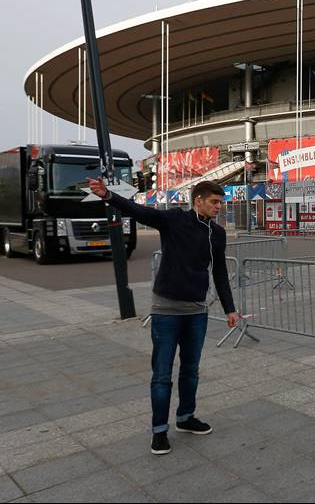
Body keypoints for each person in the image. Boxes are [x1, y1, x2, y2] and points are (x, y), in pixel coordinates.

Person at [87, 177, 240, 455]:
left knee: (191, 370)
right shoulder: (174, 220)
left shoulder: (216, 234)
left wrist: (230, 308)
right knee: (161, 374)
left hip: (197, 312)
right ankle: (159, 431)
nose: (219, 206)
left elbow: (219, 273)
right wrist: (108, 195)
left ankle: (185, 417)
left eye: (221, 202)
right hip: (166, 311)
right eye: (214, 202)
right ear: (199, 201)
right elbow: (139, 211)